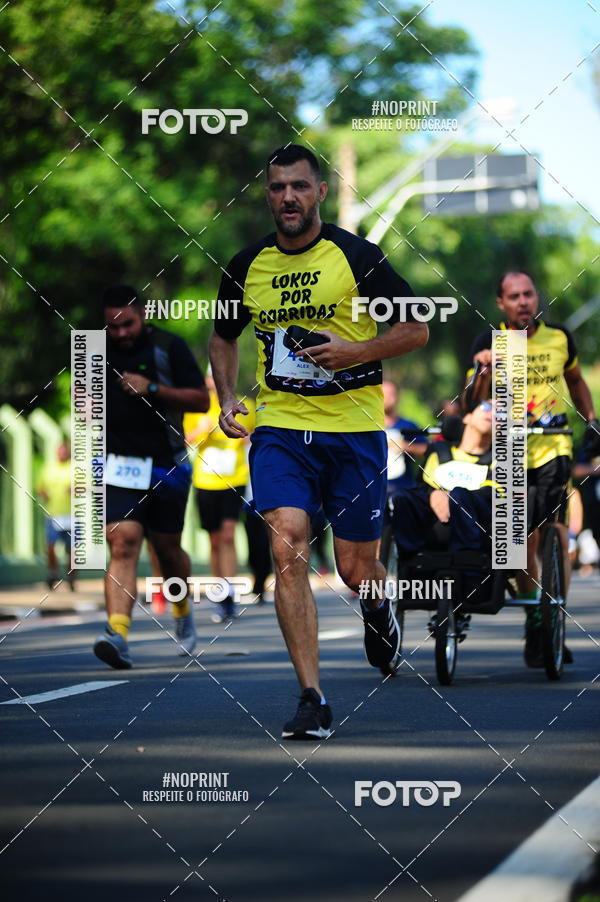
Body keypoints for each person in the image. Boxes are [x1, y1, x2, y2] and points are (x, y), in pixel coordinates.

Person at [209, 144, 428, 739]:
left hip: (353, 430)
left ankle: (377, 604)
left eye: (300, 186)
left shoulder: (357, 257)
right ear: (267, 194)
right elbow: (223, 336)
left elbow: (416, 329)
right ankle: (313, 697)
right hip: (280, 428)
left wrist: (358, 350)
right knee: (288, 547)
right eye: (278, 187)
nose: (288, 197)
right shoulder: (246, 265)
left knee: (356, 569)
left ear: (321, 192)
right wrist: (227, 397)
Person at [466, 270, 599, 666]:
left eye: (528, 294)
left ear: (535, 297)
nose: (523, 302)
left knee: (555, 532)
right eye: (514, 296)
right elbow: (473, 401)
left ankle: (555, 616)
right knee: (520, 539)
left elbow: (576, 381)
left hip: (553, 446)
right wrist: (484, 370)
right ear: (501, 303)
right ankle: (535, 618)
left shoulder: (559, 337)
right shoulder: (490, 341)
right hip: (508, 449)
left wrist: (591, 420)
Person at [93, 285, 208, 669]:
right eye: (112, 327)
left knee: (167, 552)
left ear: (142, 315)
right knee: (123, 540)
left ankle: (182, 610)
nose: (120, 333)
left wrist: (153, 388)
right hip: (118, 465)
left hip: (166, 463)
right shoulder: (94, 351)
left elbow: (202, 400)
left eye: (127, 324)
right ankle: (117, 634)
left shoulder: (168, 347)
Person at [392, 400, 496, 597]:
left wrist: (451, 495)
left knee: (460, 495)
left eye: (502, 413)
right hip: (433, 524)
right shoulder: (440, 451)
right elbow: (425, 485)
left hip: (479, 529)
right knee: (403, 497)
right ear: (467, 417)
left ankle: (468, 570)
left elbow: (495, 494)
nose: (494, 413)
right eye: (487, 407)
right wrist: (434, 493)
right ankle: (413, 565)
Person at [184, 373, 255, 622]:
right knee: (214, 540)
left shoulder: (245, 403)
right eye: (210, 377)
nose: (213, 381)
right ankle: (220, 590)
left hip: (234, 478)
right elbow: (186, 439)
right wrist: (203, 429)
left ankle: (230, 593)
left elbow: (252, 437)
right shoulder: (197, 406)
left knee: (228, 534)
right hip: (205, 480)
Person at [37, 441, 75, 590]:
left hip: (72, 515)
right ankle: (53, 573)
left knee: (72, 549)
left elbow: (87, 486)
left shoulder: (76, 469)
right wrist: (44, 494)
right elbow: (40, 487)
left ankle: (71, 577)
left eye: (65, 451)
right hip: (52, 514)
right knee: (50, 546)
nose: (62, 454)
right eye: (60, 451)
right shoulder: (49, 468)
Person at [383, 380, 427, 495]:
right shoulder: (369, 427)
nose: (386, 399)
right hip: (375, 488)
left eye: (390, 395)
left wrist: (406, 447)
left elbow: (427, 450)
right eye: (382, 395)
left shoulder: (408, 425)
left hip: (403, 488)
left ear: (397, 397)